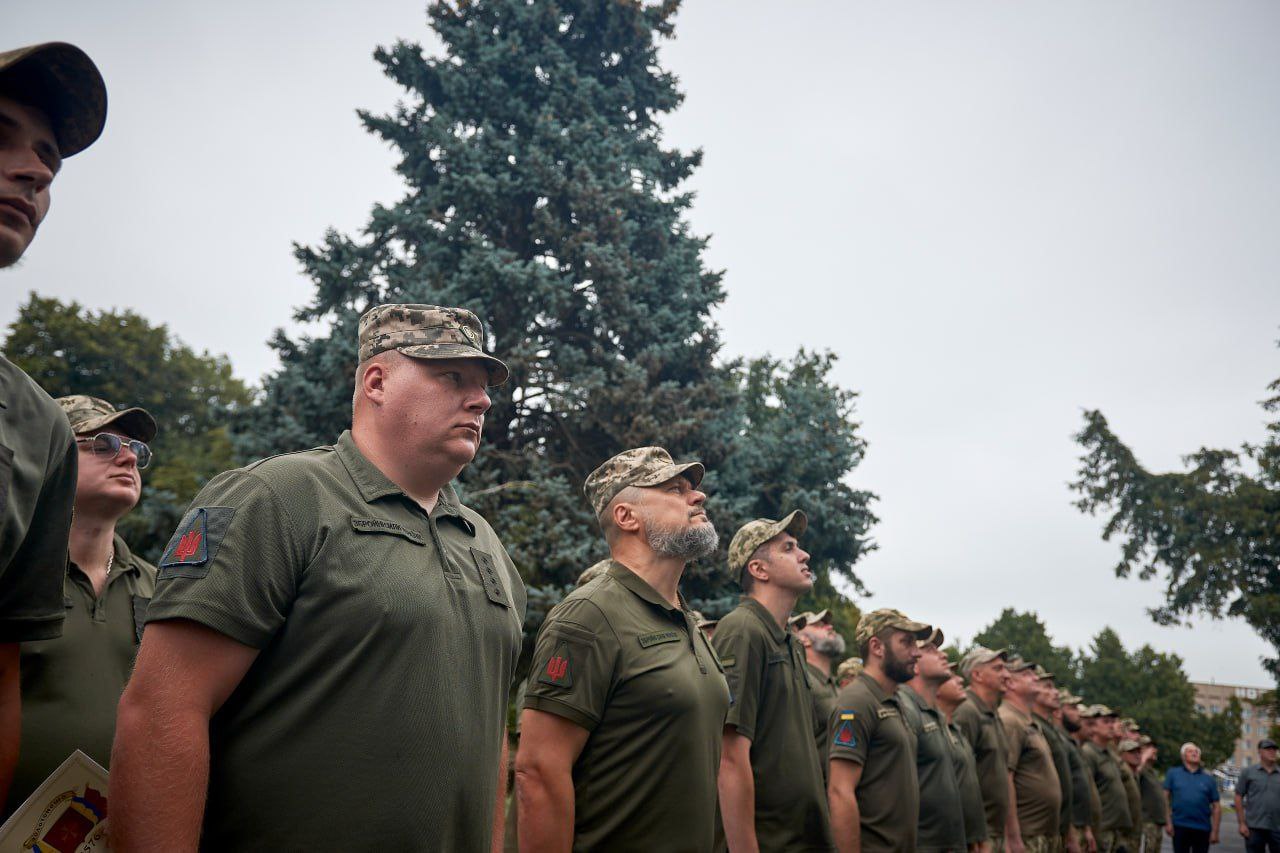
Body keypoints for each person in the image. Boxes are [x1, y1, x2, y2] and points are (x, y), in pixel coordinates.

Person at [112, 304, 526, 850]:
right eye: (452, 377)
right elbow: (162, 711)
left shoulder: (486, 545)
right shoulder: (279, 498)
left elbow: (487, 730)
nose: (482, 399)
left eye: (483, 386)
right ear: (376, 381)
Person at [517, 446, 729, 852]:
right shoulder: (590, 616)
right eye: (674, 489)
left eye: (692, 488)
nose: (698, 496)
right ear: (626, 517)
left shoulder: (687, 620)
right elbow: (539, 773)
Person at [0, 40, 107, 806]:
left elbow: (2, 669)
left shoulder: (35, 425)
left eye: (47, 160)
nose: (34, 171)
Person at [5, 397, 156, 815]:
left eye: (136, 450)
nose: (128, 458)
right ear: (51, 457)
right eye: (103, 444)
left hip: (126, 830)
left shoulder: (161, 587)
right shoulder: (12, 572)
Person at [714, 511, 834, 851]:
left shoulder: (791, 642)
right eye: (788, 548)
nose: (804, 554)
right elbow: (729, 757)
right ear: (759, 569)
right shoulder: (742, 630)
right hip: (770, 842)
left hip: (803, 838)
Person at [828, 608, 931, 853]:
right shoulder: (856, 701)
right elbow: (840, 792)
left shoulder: (895, 699)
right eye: (906, 642)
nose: (916, 652)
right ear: (877, 647)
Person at [900, 627, 967, 852]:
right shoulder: (904, 708)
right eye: (930, 649)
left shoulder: (936, 714)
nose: (943, 655)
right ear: (915, 661)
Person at [999, 658, 1062, 853]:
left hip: (1043, 835)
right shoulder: (1009, 720)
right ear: (1010, 683)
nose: (1035, 678)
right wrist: (1013, 836)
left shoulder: (1027, 721)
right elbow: (1006, 778)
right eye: (1026, 674)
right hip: (1027, 835)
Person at [954, 646, 1013, 852]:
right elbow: (958, 774)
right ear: (977, 675)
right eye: (998, 669)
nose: (1006, 675)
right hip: (977, 836)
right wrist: (973, 835)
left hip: (993, 834)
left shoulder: (993, 713)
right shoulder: (966, 711)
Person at [938, 665, 990, 852]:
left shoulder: (956, 730)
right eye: (951, 677)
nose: (960, 680)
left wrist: (979, 836)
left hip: (970, 839)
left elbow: (969, 788)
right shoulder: (932, 731)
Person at [1028, 667, 1076, 853]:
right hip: (1037, 830)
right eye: (1047, 687)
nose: (1055, 692)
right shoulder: (1031, 725)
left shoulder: (1048, 728)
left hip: (1056, 828)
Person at [796, 609, 845, 782]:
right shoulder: (800, 682)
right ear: (803, 639)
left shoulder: (835, 687)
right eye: (819, 625)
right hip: (811, 793)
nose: (830, 627)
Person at [1081, 705, 1132, 852]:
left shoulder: (1109, 754)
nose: (1111, 726)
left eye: (1112, 721)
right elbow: (1086, 793)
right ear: (1093, 726)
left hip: (1116, 829)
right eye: (1106, 722)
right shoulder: (1089, 752)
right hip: (1102, 829)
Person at [1058, 692, 1099, 853]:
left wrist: (1088, 828)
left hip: (1082, 825)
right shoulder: (1064, 743)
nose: (1092, 729)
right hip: (1071, 826)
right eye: (1087, 723)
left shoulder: (1075, 747)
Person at [1162, 742, 1220, 853]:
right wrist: (1168, 822)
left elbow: (1216, 806)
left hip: (1202, 828)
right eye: (1190, 751)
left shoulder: (1208, 779)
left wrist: (1215, 831)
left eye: (1197, 751)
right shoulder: (1173, 774)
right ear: (1183, 756)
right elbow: (1164, 798)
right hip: (1180, 825)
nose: (1195, 753)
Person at [1236, 738, 1279, 852]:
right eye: (1268, 749)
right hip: (1254, 827)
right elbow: (1238, 796)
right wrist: (1241, 823)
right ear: (1260, 751)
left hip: (1277, 827)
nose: (1272, 751)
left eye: (1274, 749)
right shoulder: (1248, 772)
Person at [1137, 737, 1168, 853]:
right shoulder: (1140, 768)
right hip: (1146, 821)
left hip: (1157, 821)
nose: (1153, 750)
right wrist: (1144, 758)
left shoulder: (1152, 771)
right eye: (1149, 747)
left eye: (1154, 747)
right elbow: (1133, 777)